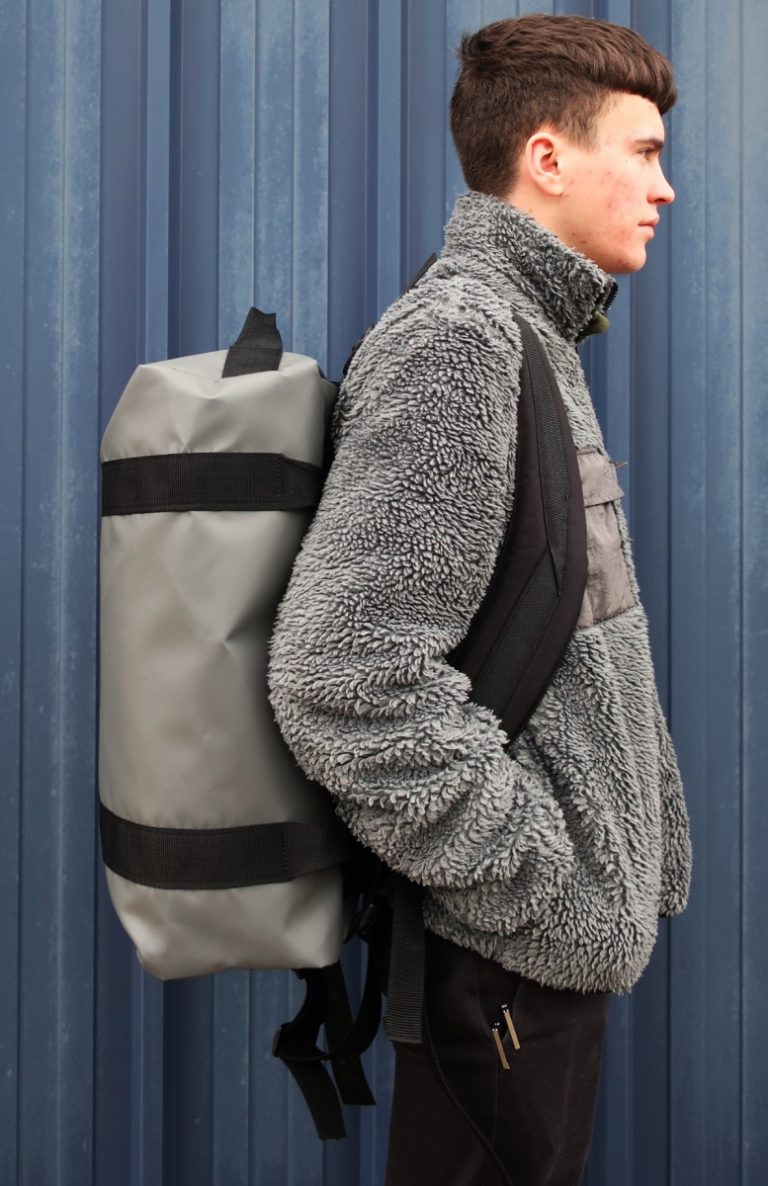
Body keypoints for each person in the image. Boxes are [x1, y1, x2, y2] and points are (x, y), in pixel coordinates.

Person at [267, 12, 693, 1186]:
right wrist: (547, 886)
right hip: (506, 958)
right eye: (644, 152)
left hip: (534, 960)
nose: (665, 188)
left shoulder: (531, 330)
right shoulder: (461, 338)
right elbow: (344, 675)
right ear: (547, 157)